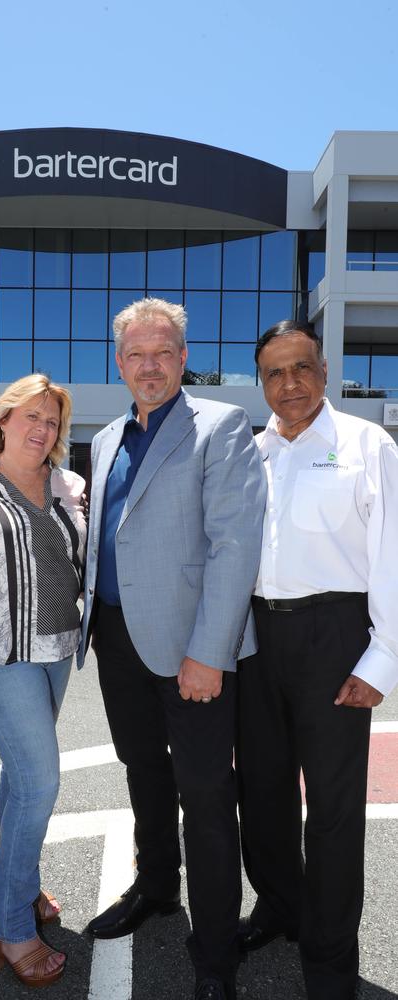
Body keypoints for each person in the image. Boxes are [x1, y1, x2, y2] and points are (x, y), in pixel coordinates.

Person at [80, 297, 266, 1000]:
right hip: (118, 638)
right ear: (119, 362)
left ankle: (215, 953)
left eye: (162, 353)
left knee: (207, 795)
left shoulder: (220, 426)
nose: (149, 366)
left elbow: (234, 545)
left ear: (183, 358)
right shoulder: (104, 438)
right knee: (142, 774)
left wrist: (209, 652)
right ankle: (158, 888)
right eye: (135, 354)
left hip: (193, 647)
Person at [236, 321, 398, 1000]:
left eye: (301, 368)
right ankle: (278, 906)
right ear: (262, 382)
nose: (290, 384)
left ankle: (330, 961)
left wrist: (380, 660)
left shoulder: (368, 445)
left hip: (334, 638)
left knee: (331, 811)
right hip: (255, 639)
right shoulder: (251, 452)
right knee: (263, 793)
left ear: (324, 373)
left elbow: (393, 557)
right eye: (275, 373)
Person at [0, 374, 87, 989]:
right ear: (3, 420)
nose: (42, 429)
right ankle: (9, 925)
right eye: (30, 416)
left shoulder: (70, 484)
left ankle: (20, 886)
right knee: (40, 779)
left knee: (19, 775)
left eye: (52, 421)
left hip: (55, 649)